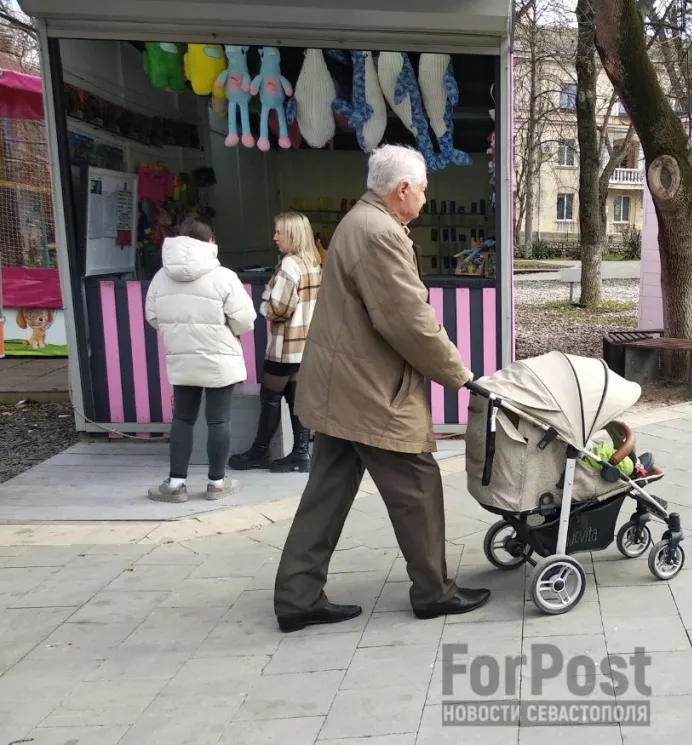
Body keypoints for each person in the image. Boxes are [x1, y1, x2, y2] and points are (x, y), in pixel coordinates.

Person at [272, 144, 490, 632]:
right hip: (368, 391)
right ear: (403, 189)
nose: (426, 200)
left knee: (326, 493)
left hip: (340, 387)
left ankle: (297, 596)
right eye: (424, 190)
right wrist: (461, 376)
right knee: (418, 483)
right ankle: (434, 592)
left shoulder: (358, 222)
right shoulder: (380, 234)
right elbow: (408, 320)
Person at [144, 216, 257, 502]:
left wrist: (177, 336)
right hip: (219, 358)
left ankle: (175, 484)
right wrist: (228, 332)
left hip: (182, 359)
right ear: (210, 241)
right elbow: (245, 319)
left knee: (183, 417)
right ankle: (217, 483)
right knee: (218, 420)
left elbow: (153, 316)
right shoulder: (224, 276)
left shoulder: (161, 276)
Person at [229, 212, 323, 474]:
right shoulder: (313, 263)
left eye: (279, 232)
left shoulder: (290, 265)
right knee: (296, 399)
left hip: (285, 345)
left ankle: (259, 452)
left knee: (270, 397)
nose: (275, 237)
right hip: (306, 345)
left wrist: (264, 306)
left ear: (292, 234)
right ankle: (301, 453)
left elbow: (280, 308)